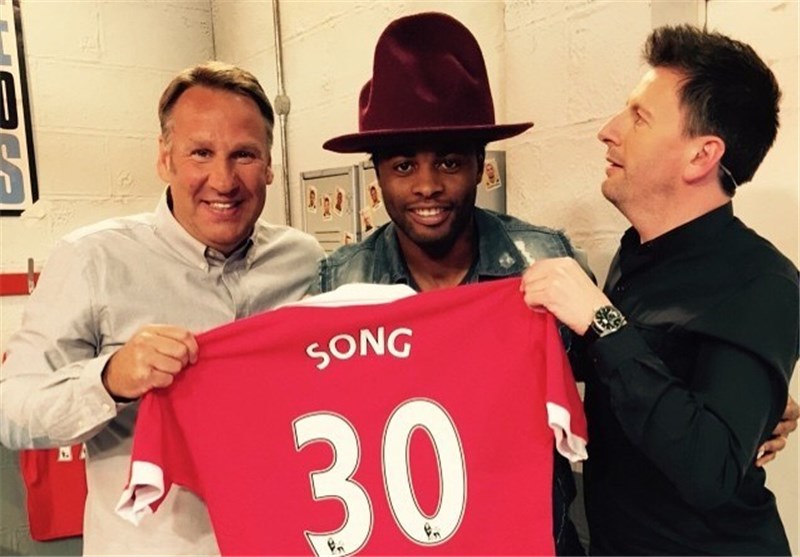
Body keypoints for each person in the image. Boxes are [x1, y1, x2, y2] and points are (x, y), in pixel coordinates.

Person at [0, 61, 324, 555]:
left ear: (269, 165)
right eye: (201, 153)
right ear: (165, 158)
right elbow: (11, 410)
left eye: (243, 154)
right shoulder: (92, 259)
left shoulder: (303, 260)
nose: (223, 180)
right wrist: (110, 379)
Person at [315, 12, 587, 555]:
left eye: (448, 162)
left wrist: (738, 405)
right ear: (376, 175)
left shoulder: (544, 259)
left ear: (481, 165)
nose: (427, 186)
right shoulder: (342, 282)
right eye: (403, 167)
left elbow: (613, 386)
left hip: (532, 540)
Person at [522, 25, 799, 555]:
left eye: (639, 117)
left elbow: (710, 471)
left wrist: (602, 321)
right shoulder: (636, 253)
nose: (608, 131)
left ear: (701, 156)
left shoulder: (763, 280)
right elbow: (639, 379)